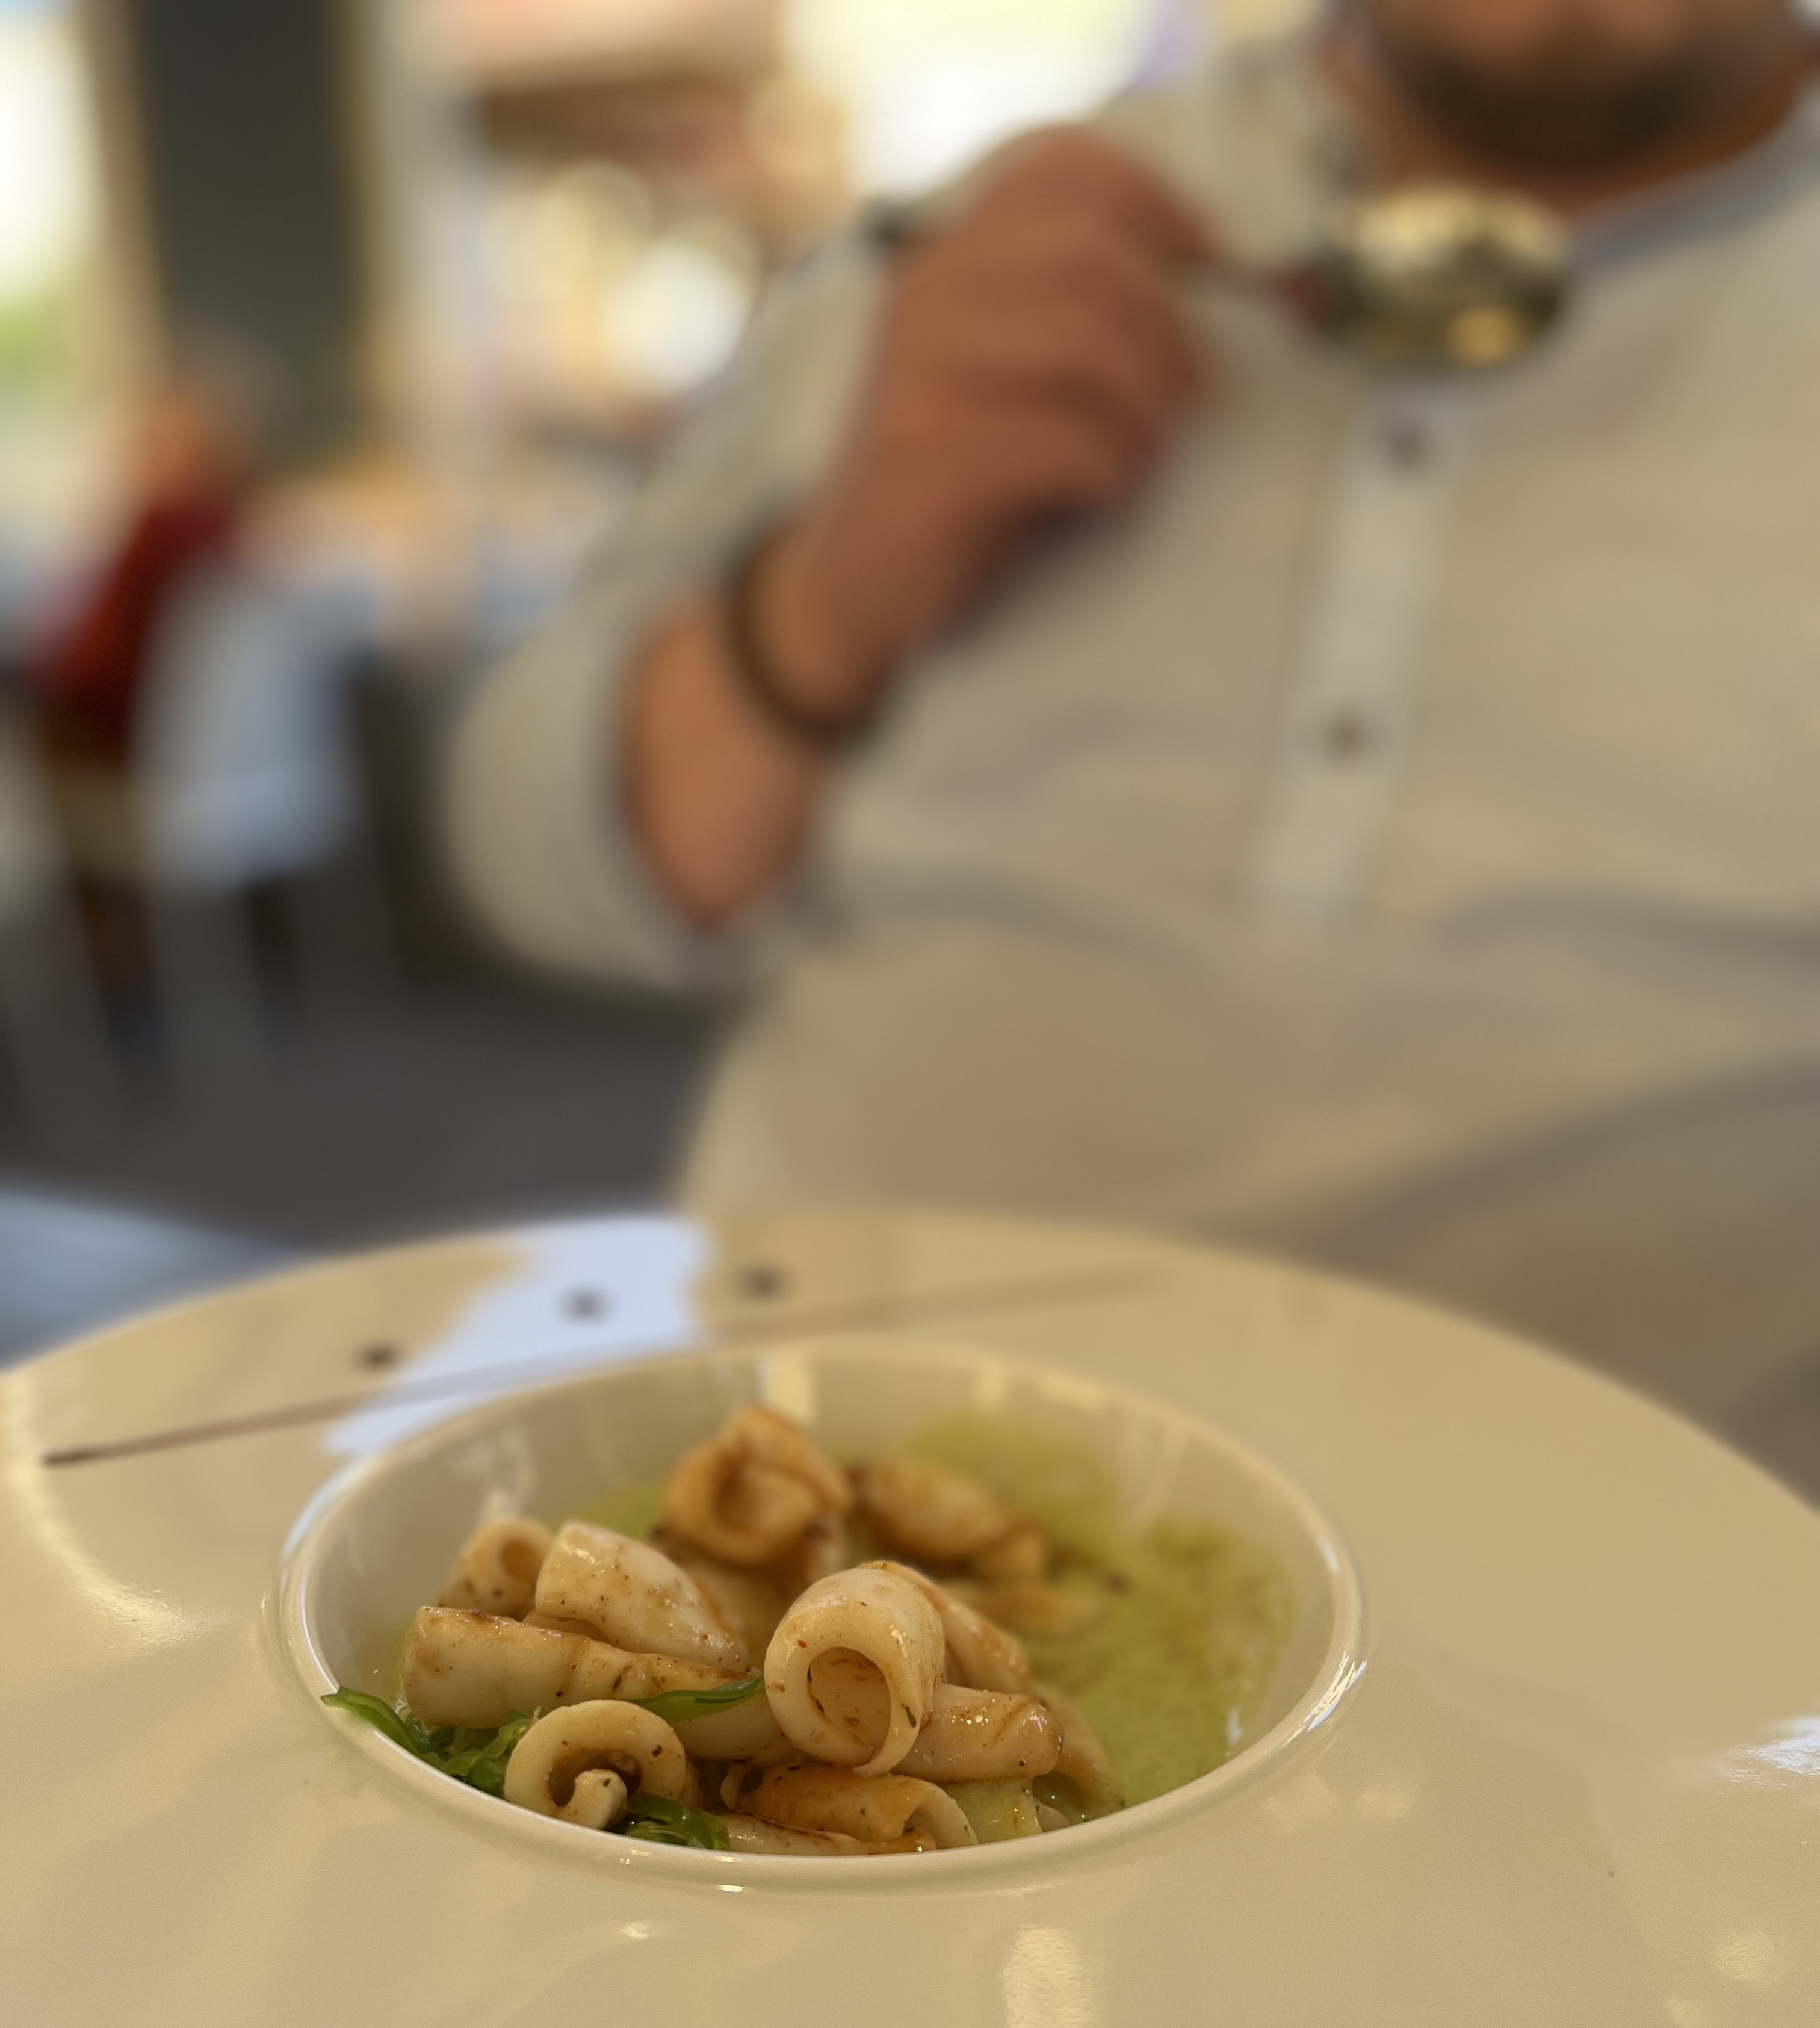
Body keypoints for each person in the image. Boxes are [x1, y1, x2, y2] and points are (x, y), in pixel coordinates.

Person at [451, 0, 1820, 1487]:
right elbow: (523, 859)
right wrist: (830, 588)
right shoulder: (979, 235)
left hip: (1656, 1564)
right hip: (784, 1490)